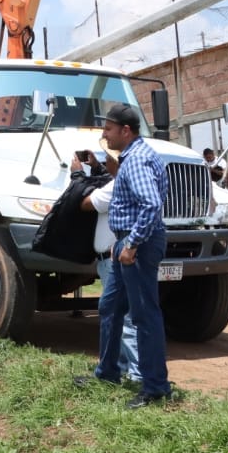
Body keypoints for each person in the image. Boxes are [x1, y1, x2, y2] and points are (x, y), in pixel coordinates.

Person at [90, 103, 170, 409]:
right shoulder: (138, 155)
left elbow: (150, 205)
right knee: (110, 305)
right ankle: (108, 372)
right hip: (127, 243)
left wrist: (132, 244)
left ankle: (155, 387)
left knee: (143, 315)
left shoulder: (135, 160)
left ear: (126, 131)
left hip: (139, 246)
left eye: (108, 129)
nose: (104, 134)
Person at [79, 150, 140, 384]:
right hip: (115, 256)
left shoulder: (115, 186)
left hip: (113, 258)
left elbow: (87, 203)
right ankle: (124, 368)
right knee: (121, 313)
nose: (106, 162)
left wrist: (78, 175)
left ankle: (135, 373)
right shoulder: (124, 182)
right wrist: (95, 169)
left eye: (108, 159)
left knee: (122, 316)